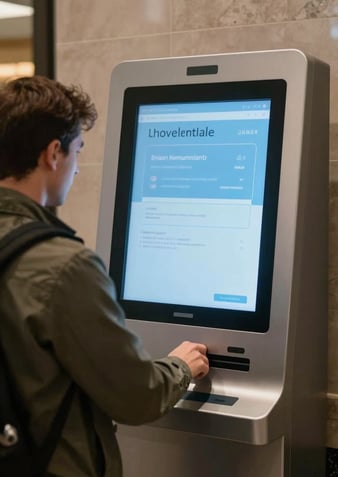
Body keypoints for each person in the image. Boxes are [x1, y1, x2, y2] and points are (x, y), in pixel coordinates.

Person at [0, 75, 209, 477]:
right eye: (77, 150)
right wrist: (180, 366)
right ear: (53, 154)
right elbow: (136, 397)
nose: (77, 169)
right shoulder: (62, 265)